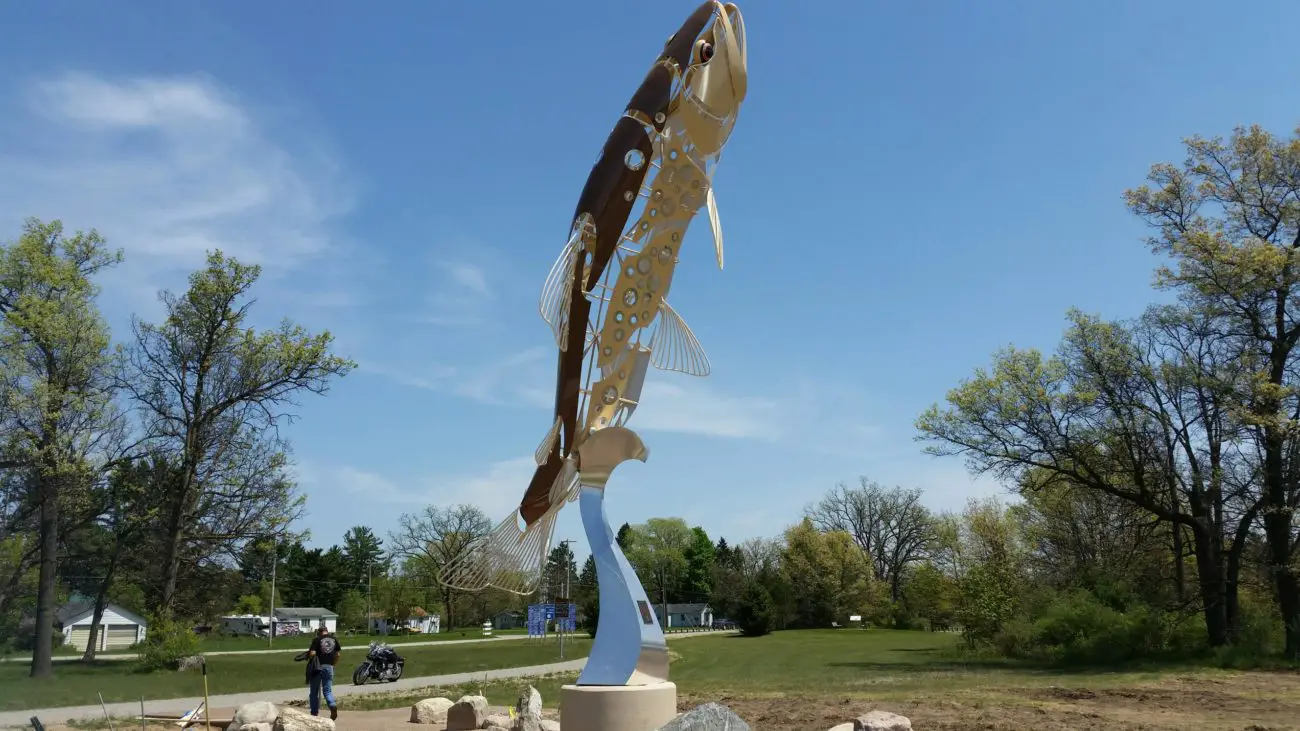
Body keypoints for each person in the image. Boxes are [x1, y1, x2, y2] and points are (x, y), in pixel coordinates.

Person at [306, 625, 341, 719]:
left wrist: (308, 656)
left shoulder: (317, 639)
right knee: (327, 690)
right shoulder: (334, 639)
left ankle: (314, 713)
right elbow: (338, 655)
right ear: (327, 631)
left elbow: (312, 653)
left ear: (318, 632)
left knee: (314, 692)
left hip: (317, 668)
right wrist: (333, 665)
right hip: (329, 667)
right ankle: (332, 705)